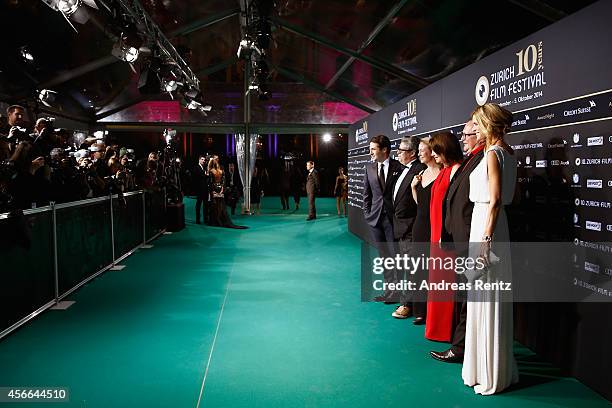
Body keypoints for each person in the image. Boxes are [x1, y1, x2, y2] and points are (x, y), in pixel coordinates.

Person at [462, 103, 518, 395]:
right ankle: (488, 367)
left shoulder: (495, 155)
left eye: (475, 123)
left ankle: (489, 373)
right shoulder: (508, 152)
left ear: (487, 124)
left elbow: (495, 200)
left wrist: (485, 240)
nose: (472, 128)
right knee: (485, 296)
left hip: (487, 226)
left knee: (486, 294)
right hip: (492, 225)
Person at [430, 120, 486, 363]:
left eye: (467, 134)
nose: (463, 138)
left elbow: (481, 203)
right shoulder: (473, 160)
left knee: (467, 294)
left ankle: (462, 347)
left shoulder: (486, 158)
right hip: (462, 238)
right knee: (465, 294)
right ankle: (463, 346)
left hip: (471, 238)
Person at [425, 131, 463, 342]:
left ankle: (445, 330)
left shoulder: (456, 171)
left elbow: (453, 209)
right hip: (436, 236)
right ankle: (437, 328)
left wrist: (445, 235)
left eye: (436, 150)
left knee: (446, 285)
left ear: (446, 149)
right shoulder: (444, 171)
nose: (433, 154)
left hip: (446, 238)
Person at [362, 134, 404, 302]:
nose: (371, 152)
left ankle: (398, 292)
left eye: (373, 149)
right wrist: (367, 214)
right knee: (384, 256)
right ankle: (389, 291)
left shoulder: (398, 167)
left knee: (396, 257)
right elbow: (367, 194)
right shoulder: (369, 168)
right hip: (375, 220)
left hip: (393, 220)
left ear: (384, 149)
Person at [390, 136, 426, 319]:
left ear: (412, 153)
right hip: (399, 227)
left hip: (410, 228)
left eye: (401, 150)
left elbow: (420, 203)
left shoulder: (420, 170)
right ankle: (407, 300)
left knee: (412, 270)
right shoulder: (402, 170)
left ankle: (407, 305)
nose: (397, 153)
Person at [409, 137, 441, 324]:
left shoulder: (442, 174)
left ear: (432, 151)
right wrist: (414, 187)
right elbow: (420, 204)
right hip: (419, 225)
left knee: (433, 271)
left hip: (434, 226)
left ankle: (432, 311)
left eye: (422, 150)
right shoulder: (421, 173)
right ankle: (419, 310)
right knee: (419, 269)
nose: (419, 153)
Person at [207, 157, 247, 229]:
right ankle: (218, 220)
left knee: (218, 205)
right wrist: (218, 189)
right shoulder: (216, 171)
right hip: (217, 189)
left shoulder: (216, 170)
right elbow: (217, 182)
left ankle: (218, 221)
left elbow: (217, 181)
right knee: (218, 205)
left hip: (217, 189)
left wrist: (220, 189)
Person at [193, 155, 209, 224]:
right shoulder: (196, 167)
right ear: (199, 160)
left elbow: (205, 176)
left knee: (205, 205)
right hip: (199, 189)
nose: (203, 161)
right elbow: (201, 176)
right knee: (198, 204)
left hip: (205, 189)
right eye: (202, 159)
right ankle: (198, 219)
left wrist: (206, 175)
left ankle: (205, 219)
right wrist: (206, 175)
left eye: (204, 160)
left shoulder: (204, 167)